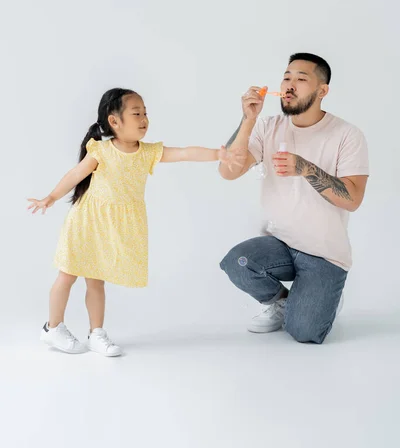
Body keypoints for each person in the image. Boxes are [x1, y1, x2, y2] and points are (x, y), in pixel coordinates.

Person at [28, 87, 244, 356]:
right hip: (87, 222)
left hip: (113, 226)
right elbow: (75, 174)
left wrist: (217, 154)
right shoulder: (102, 151)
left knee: (96, 281)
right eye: (136, 113)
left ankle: (96, 332)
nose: (144, 119)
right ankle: (53, 328)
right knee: (67, 275)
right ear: (114, 121)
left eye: (145, 113)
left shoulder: (147, 152)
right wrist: (50, 197)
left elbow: (184, 153)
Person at [218, 53, 369, 344]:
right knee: (237, 262)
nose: (289, 85)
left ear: (322, 91)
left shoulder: (347, 135)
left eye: (301, 79)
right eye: (286, 77)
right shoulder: (267, 126)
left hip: (324, 254)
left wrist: (306, 168)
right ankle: (284, 302)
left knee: (304, 333)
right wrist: (248, 120)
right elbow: (227, 171)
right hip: (281, 243)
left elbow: (352, 198)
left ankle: (318, 297)